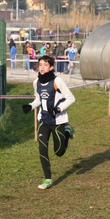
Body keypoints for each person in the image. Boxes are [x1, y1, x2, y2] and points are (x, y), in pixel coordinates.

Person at [22, 55, 75, 189]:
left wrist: (58, 109)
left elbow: (71, 98)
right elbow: (39, 99)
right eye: (40, 65)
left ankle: (67, 132)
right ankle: (47, 179)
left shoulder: (58, 81)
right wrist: (31, 106)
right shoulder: (36, 83)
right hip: (44, 120)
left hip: (58, 121)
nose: (42, 67)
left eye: (45, 65)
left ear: (51, 67)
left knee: (59, 152)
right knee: (42, 148)